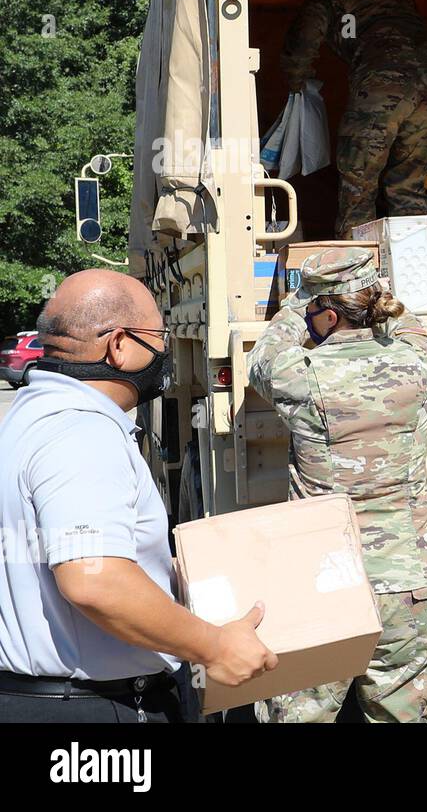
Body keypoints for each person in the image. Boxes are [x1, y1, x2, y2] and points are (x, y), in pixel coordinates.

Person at [0, 270, 276, 722]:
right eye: (159, 337)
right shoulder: (81, 432)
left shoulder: (28, 414)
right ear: (120, 345)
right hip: (94, 709)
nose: (164, 351)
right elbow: (94, 578)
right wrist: (215, 646)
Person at [248, 248, 427, 723]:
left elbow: (265, 355)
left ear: (328, 314)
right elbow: (408, 323)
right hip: (410, 581)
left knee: (302, 713)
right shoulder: (418, 363)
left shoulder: (297, 374)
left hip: (324, 580)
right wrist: (373, 296)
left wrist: (299, 309)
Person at [282, 0, 427, 237]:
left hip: (384, 80)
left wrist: (295, 81)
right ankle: (413, 262)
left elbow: (305, 39)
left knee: (359, 180)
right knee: (409, 184)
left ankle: (357, 265)